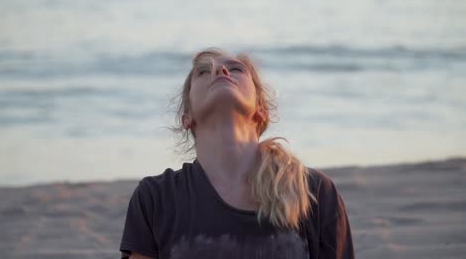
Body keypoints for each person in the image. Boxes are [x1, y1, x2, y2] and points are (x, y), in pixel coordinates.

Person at [119, 48, 355, 259]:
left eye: (236, 69)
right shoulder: (156, 198)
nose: (221, 70)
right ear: (186, 118)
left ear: (261, 111)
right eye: (203, 72)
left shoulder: (313, 191)